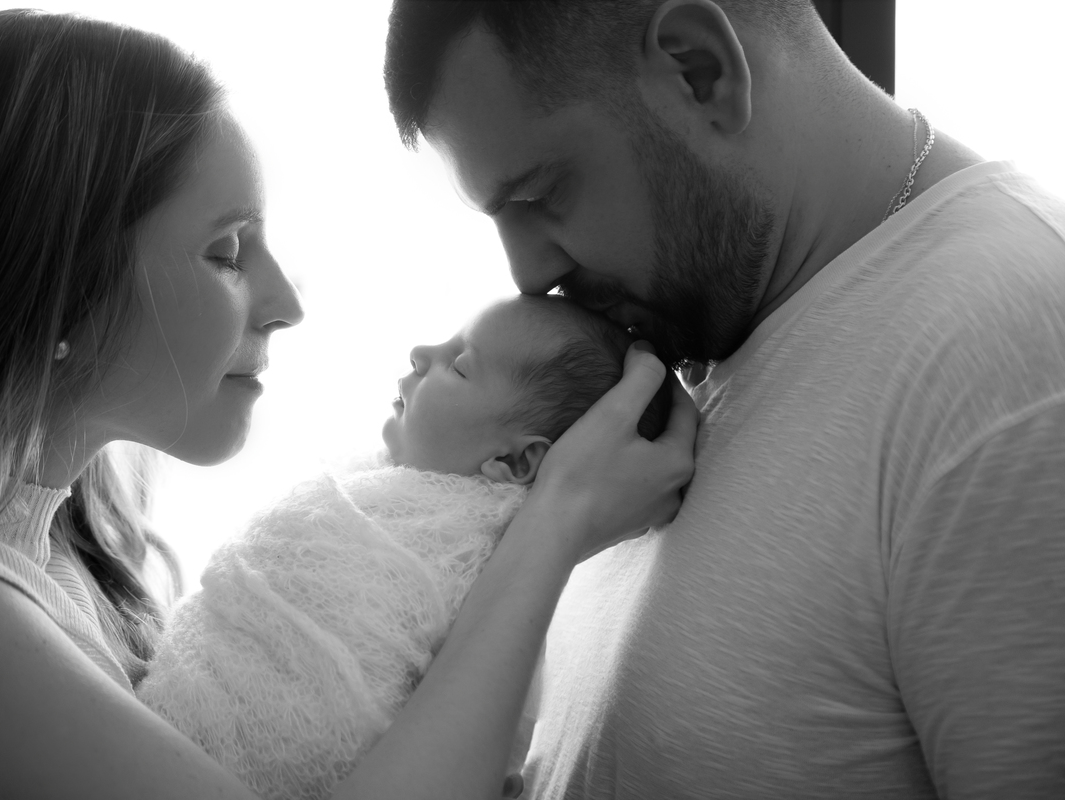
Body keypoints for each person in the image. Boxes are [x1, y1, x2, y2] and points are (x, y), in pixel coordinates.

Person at [0, 9, 699, 800]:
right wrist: (552, 523)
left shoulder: (61, 556)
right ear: (53, 286)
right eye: (227, 252)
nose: (286, 305)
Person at [383, 1, 1065, 798]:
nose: (528, 275)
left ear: (699, 70)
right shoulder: (671, 354)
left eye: (541, 195)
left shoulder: (1011, 359)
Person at [137, 295, 670, 800]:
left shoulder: (484, 560)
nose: (420, 352)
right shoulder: (380, 492)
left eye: (459, 366)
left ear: (514, 462)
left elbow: (481, 708)